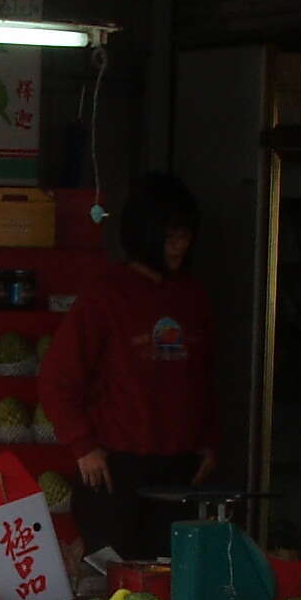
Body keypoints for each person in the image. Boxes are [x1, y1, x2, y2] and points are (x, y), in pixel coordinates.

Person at [38, 170, 217, 560]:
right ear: (145, 235)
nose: (178, 248)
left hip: (178, 465)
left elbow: (203, 377)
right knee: (112, 583)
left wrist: (208, 441)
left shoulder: (193, 296)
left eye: (185, 237)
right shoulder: (106, 296)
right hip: (114, 466)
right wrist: (83, 446)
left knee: (172, 578)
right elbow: (57, 379)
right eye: (170, 238)